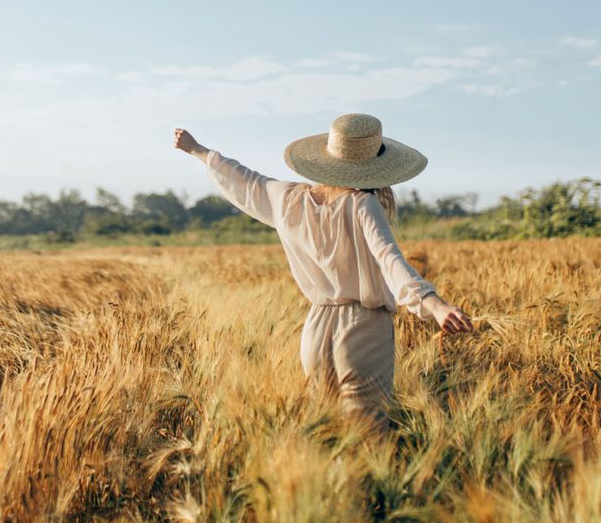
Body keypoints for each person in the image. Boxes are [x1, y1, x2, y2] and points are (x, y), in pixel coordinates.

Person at [174, 113, 473, 426]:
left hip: (316, 330)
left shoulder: (288, 197)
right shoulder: (361, 204)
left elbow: (244, 181)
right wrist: (434, 306)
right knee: (368, 441)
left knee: (328, 432)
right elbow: (390, 260)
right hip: (363, 330)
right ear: (376, 167)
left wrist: (197, 150)